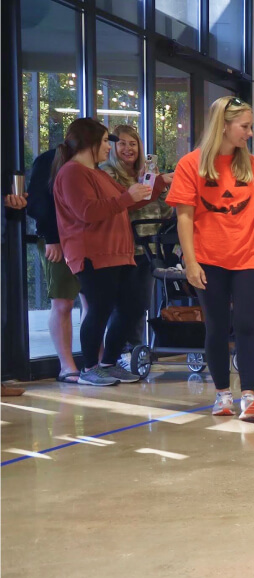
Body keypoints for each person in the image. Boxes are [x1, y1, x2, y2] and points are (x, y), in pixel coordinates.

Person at [169, 96, 254, 420]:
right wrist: (190, 263)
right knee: (216, 327)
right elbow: (184, 218)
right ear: (224, 125)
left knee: (247, 324)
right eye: (244, 127)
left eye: (250, 127)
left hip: (250, 257)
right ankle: (222, 395)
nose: (249, 133)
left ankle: (248, 396)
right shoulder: (190, 165)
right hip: (209, 259)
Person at [53, 118, 169, 386]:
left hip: (119, 251)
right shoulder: (72, 173)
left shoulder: (98, 173)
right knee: (100, 308)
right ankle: (90, 367)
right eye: (106, 141)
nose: (110, 147)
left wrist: (160, 181)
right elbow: (88, 212)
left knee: (131, 307)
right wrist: (128, 196)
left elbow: (133, 199)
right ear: (90, 142)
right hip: (93, 253)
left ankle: (109, 362)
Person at [14, 146, 100, 385]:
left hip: (87, 240)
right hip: (58, 240)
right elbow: (38, 203)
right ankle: (66, 365)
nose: (106, 147)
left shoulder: (95, 166)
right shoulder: (52, 160)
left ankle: (95, 361)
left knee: (92, 302)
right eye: (103, 141)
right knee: (62, 301)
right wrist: (51, 237)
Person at [99, 124, 174, 352]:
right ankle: (116, 354)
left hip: (149, 248)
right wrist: (149, 186)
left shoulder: (148, 174)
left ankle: (135, 351)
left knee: (140, 305)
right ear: (112, 146)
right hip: (123, 248)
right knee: (123, 307)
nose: (128, 148)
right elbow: (123, 205)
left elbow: (165, 210)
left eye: (133, 143)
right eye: (122, 143)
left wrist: (159, 187)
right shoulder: (107, 173)